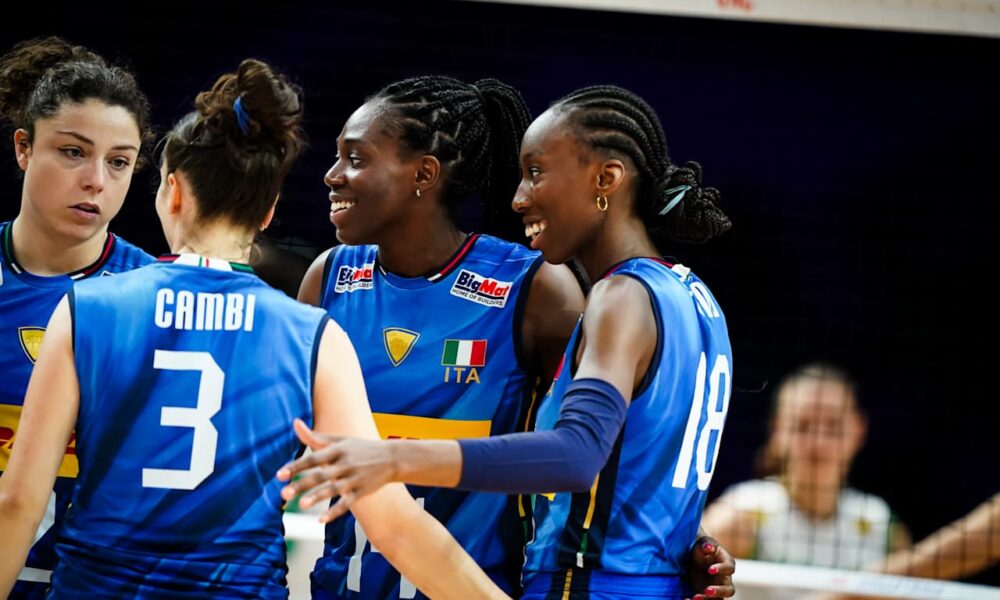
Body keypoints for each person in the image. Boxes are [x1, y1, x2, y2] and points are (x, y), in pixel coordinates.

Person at [0, 58, 507, 600]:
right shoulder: (314, 336)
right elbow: (394, 523)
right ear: (268, 213)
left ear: (173, 192)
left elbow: (18, 502)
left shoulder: (88, 307)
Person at [282, 84, 736, 600]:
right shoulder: (693, 295)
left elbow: (578, 452)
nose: (518, 197)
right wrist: (684, 539)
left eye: (536, 172)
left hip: (564, 583)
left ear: (606, 179)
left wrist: (393, 458)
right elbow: (634, 451)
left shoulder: (585, 294)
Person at [0, 36, 155, 599]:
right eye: (72, 152)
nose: (96, 180)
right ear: (23, 147)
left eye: (119, 162)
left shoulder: (153, 296)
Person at [701, 364, 910, 573]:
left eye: (833, 426)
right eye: (802, 426)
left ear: (859, 430)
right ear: (777, 431)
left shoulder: (880, 525)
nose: (818, 442)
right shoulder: (740, 513)